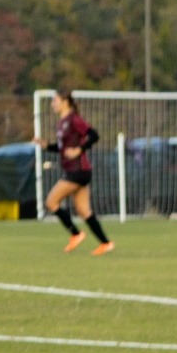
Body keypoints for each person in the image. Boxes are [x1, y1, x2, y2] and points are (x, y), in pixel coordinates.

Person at [41, 90, 113, 254]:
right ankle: (106, 243)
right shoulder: (62, 122)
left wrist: (79, 150)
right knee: (83, 211)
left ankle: (76, 233)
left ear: (65, 101)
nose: (53, 104)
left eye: (55, 100)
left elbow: (94, 135)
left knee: (51, 202)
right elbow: (62, 148)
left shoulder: (74, 119)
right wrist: (45, 145)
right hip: (78, 171)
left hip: (78, 170)